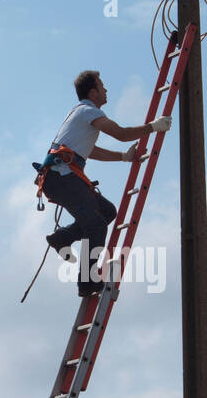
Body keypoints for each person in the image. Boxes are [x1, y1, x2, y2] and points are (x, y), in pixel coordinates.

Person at [36, 69, 172, 296]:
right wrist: (152, 127)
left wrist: (122, 157)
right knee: (96, 225)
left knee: (107, 212)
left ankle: (62, 238)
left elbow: (90, 150)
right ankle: (87, 283)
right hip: (62, 177)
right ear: (93, 92)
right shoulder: (89, 111)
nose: (106, 89)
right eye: (102, 86)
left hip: (62, 176)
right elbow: (120, 133)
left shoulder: (81, 114)